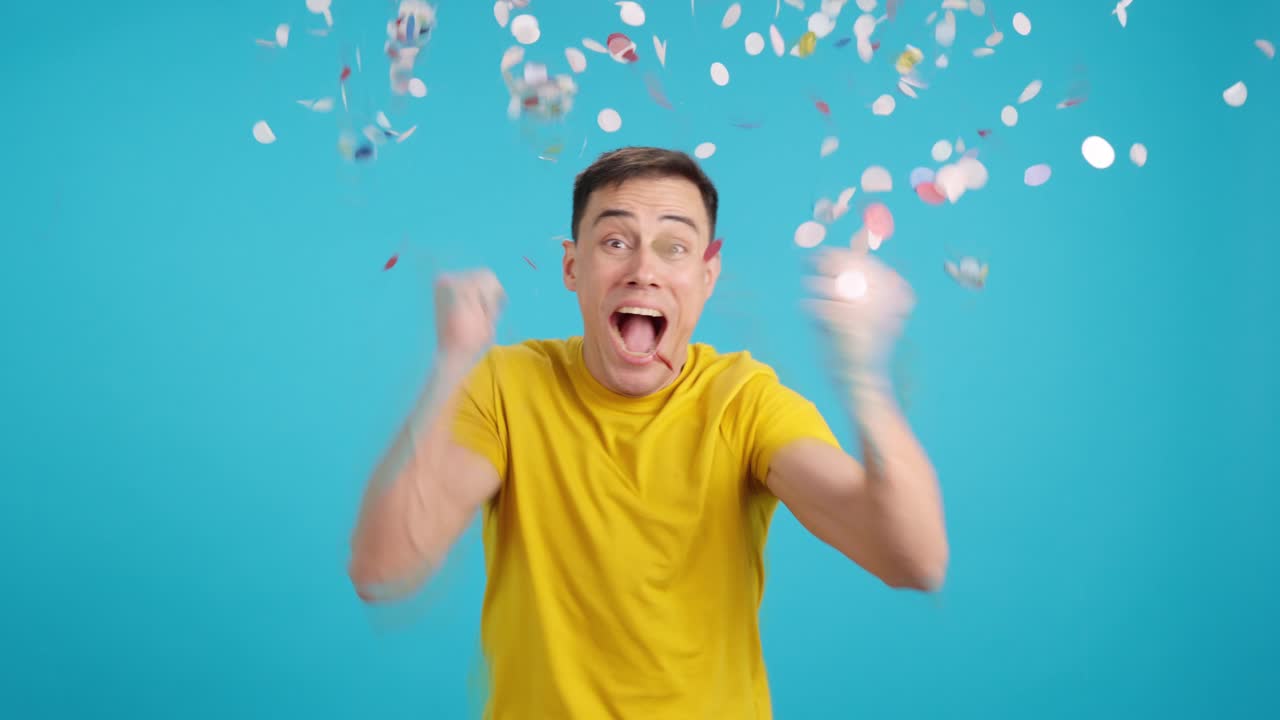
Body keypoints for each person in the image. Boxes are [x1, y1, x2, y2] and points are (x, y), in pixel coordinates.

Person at [347, 147, 948, 719]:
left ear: (707, 276)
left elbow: (914, 561)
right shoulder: (508, 388)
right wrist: (453, 362)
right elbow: (382, 567)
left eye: (674, 248)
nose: (643, 271)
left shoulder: (744, 401)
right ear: (572, 267)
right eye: (615, 241)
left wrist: (864, 379)